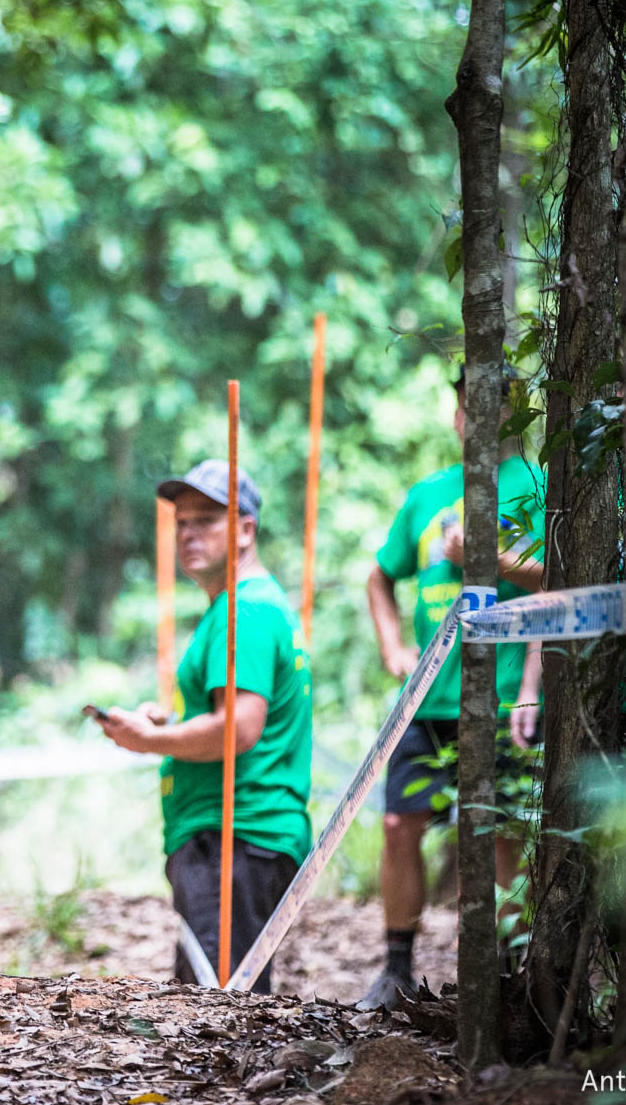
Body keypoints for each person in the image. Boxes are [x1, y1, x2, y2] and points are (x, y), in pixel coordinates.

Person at [359, 372, 545, 1009]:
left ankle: (515, 974)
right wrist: (392, 648)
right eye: (466, 405)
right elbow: (378, 578)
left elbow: (562, 580)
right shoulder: (428, 494)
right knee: (395, 823)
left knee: (501, 833)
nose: (474, 417)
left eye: (489, 406)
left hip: (500, 700)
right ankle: (395, 967)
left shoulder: (537, 487)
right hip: (425, 699)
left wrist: (491, 559)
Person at [97, 460, 313, 992]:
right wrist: (169, 721)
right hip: (231, 842)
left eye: (207, 520)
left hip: (236, 838)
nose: (189, 533)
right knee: (215, 1006)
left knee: (218, 1012)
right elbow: (227, 715)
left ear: (245, 530)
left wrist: (149, 741)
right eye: (182, 522)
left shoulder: (247, 613)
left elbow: (238, 729)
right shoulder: (236, 609)